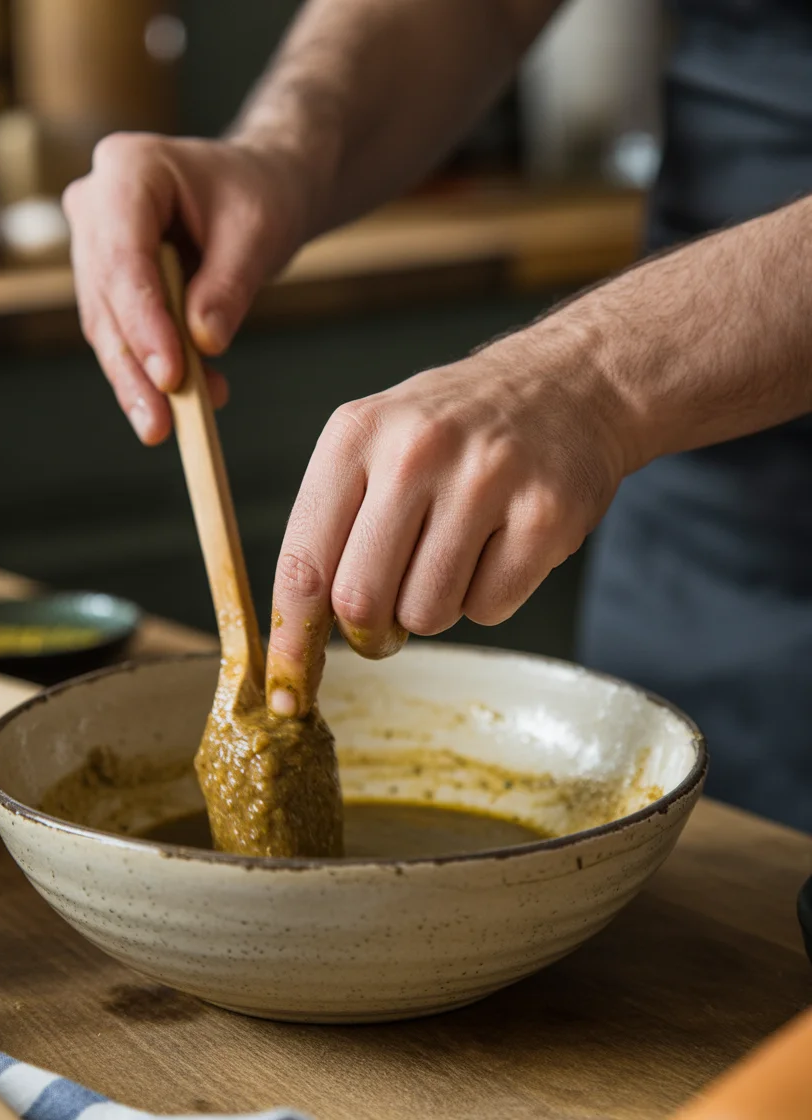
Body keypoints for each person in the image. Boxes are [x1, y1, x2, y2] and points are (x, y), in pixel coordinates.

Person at [63, 0, 812, 831]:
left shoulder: (607, 384)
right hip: (700, 507)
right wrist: (283, 146)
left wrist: (597, 373)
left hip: (663, 382)